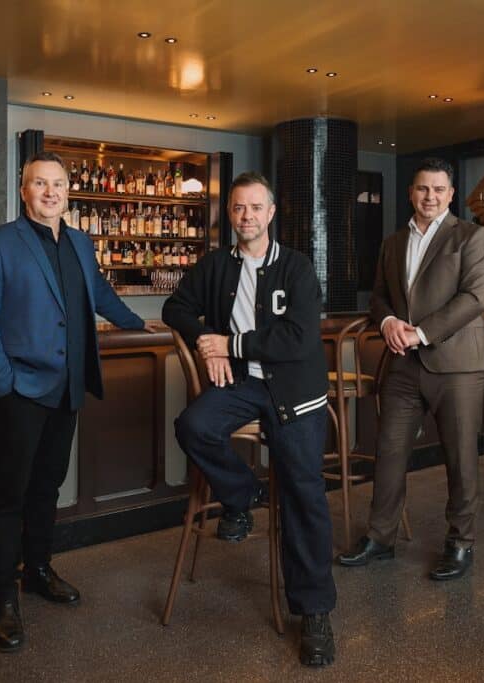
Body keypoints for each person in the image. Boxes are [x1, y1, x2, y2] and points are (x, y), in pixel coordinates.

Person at [0, 151, 152, 653]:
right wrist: (2, 382)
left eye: (58, 184)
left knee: (46, 487)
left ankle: (38, 570)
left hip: (67, 388)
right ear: (23, 191)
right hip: (20, 391)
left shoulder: (81, 243)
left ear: (68, 191)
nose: (50, 192)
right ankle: (3, 596)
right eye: (39, 183)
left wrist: (143, 324)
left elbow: (99, 295)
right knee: (7, 495)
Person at [162, 172, 337, 667]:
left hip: (295, 392)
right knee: (193, 427)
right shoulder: (216, 264)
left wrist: (230, 344)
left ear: (271, 212)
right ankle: (243, 496)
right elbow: (176, 306)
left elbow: (299, 339)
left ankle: (316, 613)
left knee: (304, 494)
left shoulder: (297, 268)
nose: (247, 217)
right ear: (231, 214)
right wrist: (205, 339)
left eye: (255, 208)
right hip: (241, 387)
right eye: (239, 209)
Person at [338, 157, 484, 581]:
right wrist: (389, 322)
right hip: (404, 366)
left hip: (458, 365)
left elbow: (474, 299)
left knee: (460, 458)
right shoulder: (393, 243)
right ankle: (380, 538)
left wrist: (420, 332)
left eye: (439, 189)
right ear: (411, 192)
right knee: (389, 452)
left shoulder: (473, 237)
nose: (430, 196)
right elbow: (378, 297)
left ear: (450, 194)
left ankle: (461, 543)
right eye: (423, 189)